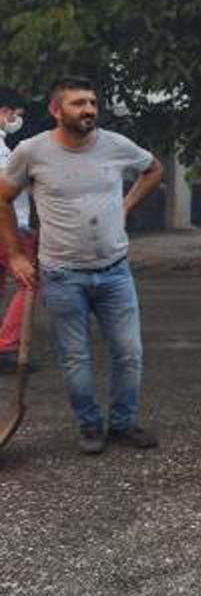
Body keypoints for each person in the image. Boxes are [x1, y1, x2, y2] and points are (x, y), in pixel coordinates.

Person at [0, 76, 163, 454]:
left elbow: (153, 169)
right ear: (56, 110)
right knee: (75, 357)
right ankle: (90, 427)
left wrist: (125, 205)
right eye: (78, 103)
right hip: (61, 274)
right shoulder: (31, 151)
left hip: (114, 270)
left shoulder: (116, 145)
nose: (88, 109)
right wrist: (18, 255)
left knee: (129, 351)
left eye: (91, 102)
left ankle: (123, 424)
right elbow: (3, 199)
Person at [0, 87, 36, 373]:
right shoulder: (1, 149)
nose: (16, 119)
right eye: (16, 114)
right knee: (29, 282)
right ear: (4, 111)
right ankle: (7, 346)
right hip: (9, 226)